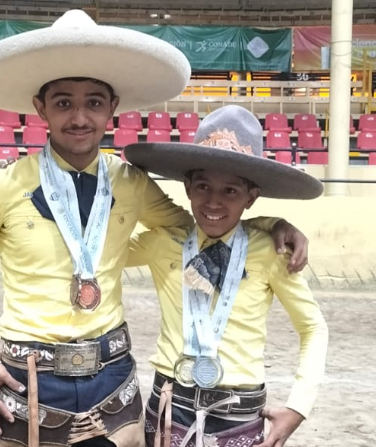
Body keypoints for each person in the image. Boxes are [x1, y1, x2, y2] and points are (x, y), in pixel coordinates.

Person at [0, 10, 310, 447]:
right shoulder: (0, 186)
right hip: (28, 380)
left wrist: (269, 224)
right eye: (63, 102)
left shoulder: (131, 183)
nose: (79, 117)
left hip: (112, 382)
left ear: (112, 108)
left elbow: (201, 226)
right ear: (40, 107)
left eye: (93, 102)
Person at [124, 105, 329, 447]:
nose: (213, 202)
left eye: (230, 191)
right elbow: (100, 252)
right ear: (188, 187)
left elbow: (313, 327)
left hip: (239, 414)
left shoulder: (271, 251)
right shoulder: (163, 242)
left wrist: (298, 405)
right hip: (169, 405)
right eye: (203, 186)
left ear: (251, 198)